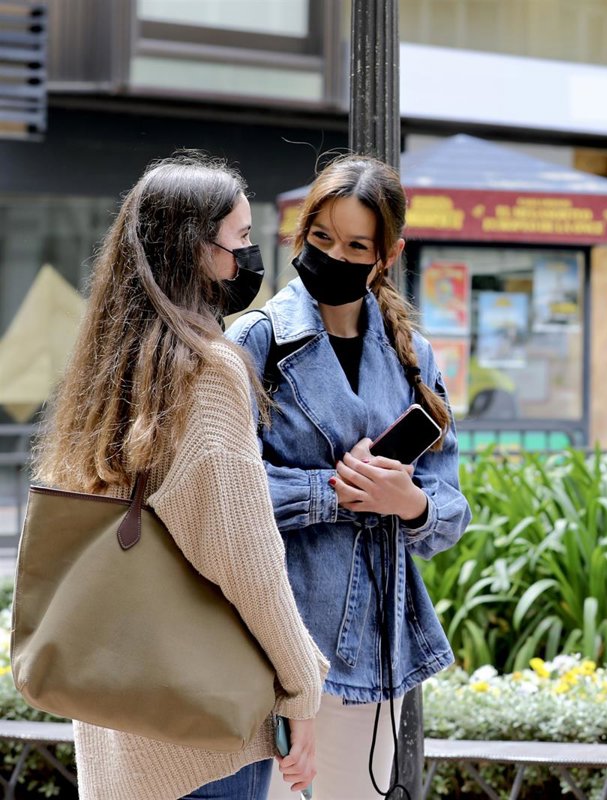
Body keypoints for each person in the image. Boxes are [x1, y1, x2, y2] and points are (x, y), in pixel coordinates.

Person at [32, 153, 328, 800]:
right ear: (197, 249)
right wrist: (302, 688)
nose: (250, 257)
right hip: (201, 743)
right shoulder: (210, 370)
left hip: (115, 730)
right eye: (241, 238)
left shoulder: (104, 368)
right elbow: (246, 559)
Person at [227, 155, 470, 799]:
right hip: (277, 642)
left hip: (376, 647)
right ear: (301, 231)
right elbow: (222, 494)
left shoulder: (413, 355)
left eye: (357, 246)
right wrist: (338, 493)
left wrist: (409, 502)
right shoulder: (256, 342)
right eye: (322, 237)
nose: (335, 256)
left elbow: (450, 509)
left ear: (387, 255)